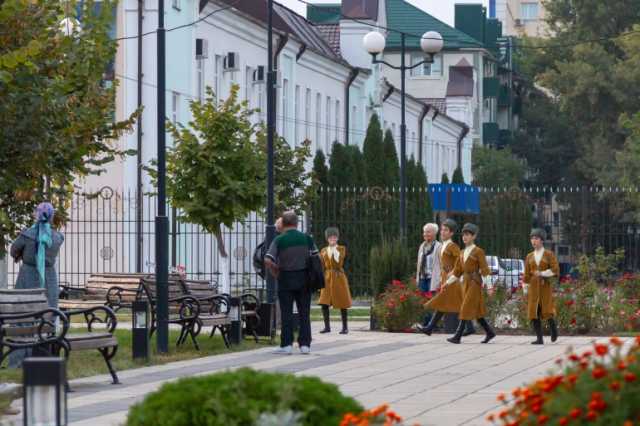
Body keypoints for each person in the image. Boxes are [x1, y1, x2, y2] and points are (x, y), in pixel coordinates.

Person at [8, 202, 64, 367]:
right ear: (52, 216)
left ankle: (20, 359)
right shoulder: (57, 237)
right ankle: (45, 356)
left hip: (27, 278)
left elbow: (13, 250)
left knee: (22, 318)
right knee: (47, 317)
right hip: (49, 281)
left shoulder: (27, 235)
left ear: (37, 215)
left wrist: (22, 254)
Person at [264, 211, 317, 355]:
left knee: (286, 313)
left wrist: (276, 271)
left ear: (284, 224)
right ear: (296, 223)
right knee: (304, 313)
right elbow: (317, 258)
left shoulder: (279, 240)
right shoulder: (307, 239)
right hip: (304, 279)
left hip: (285, 279)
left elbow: (268, 259)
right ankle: (305, 345)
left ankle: (286, 345)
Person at [420, 219, 475, 336]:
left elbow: (461, 260)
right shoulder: (443, 246)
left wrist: (454, 271)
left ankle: (429, 327)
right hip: (446, 279)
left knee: (444, 302)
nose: (442, 232)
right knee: (446, 303)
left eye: (446, 230)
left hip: (453, 281)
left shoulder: (452, 246)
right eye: (442, 230)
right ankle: (469, 327)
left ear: (451, 233)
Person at [443, 223, 495, 344]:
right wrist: (447, 283)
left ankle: (457, 336)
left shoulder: (478, 252)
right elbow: (457, 272)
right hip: (465, 284)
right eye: (463, 235)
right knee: (477, 313)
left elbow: (485, 270)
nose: (464, 237)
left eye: (467, 235)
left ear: (474, 236)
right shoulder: (461, 252)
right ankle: (490, 332)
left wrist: (490, 286)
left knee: (465, 308)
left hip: (474, 283)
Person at [523, 228, 560, 345]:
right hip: (533, 286)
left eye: (536, 238)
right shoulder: (529, 256)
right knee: (534, 312)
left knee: (547, 310)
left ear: (542, 240)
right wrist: (525, 286)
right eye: (532, 238)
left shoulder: (549, 254)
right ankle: (539, 338)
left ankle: (553, 330)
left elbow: (555, 270)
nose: (534, 241)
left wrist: (543, 273)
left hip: (545, 286)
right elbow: (526, 273)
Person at [318, 227, 352, 334]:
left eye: (334, 237)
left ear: (337, 238)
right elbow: (322, 265)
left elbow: (339, 262)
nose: (332, 239)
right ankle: (327, 327)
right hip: (327, 277)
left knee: (342, 302)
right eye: (330, 237)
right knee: (324, 302)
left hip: (338, 277)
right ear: (327, 238)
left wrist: (334, 249)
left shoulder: (341, 249)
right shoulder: (323, 250)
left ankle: (345, 327)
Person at [415, 223, 441, 328]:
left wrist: (440, 278)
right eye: (424, 232)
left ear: (435, 233)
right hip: (423, 277)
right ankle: (425, 322)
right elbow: (419, 263)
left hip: (433, 277)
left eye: (428, 232)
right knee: (423, 300)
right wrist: (418, 277)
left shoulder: (439, 246)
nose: (425, 234)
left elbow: (441, 263)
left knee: (432, 301)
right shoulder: (422, 246)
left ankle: (432, 324)